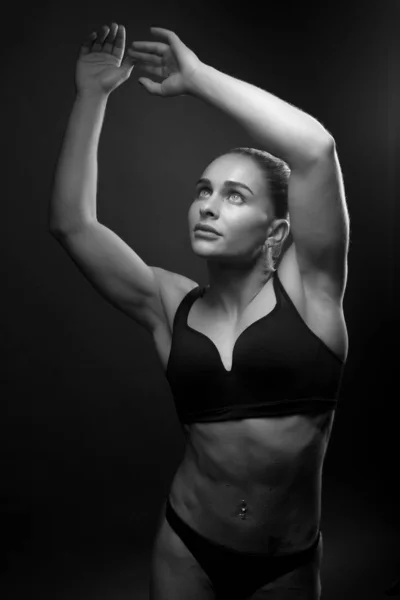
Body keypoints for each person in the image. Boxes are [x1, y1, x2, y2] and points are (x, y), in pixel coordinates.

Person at [49, 22, 349, 600]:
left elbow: (315, 150)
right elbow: (72, 224)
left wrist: (199, 79)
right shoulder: (170, 303)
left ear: (277, 230)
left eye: (235, 196)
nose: (208, 206)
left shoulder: (312, 294)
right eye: (203, 190)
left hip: (284, 561)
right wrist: (91, 97)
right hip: (187, 544)